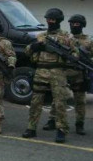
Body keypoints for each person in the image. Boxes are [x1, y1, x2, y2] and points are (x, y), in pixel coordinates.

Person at [23, 8, 77, 143]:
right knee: (36, 101)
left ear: (59, 21)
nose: (50, 22)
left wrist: (66, 55)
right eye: (48, 20)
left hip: (57, 72)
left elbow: (76, 55)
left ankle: (61, 130)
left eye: (52, 20)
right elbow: (27, 51)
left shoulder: (67, 37)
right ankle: (31, 127)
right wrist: (35, 47)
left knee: (60, 102)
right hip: (41, 70)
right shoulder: (40, 36)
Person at [42, 14, 93, 135]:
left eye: (77, 24)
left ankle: (79, 123)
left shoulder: (90, 40)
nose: (74, 26)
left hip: (79, 73)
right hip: (64, 71)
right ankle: (52, 120)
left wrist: (89, 61)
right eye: (72, 24)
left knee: (80, 100)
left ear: (82, 25)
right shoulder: (65, 37)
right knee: (58, 98)